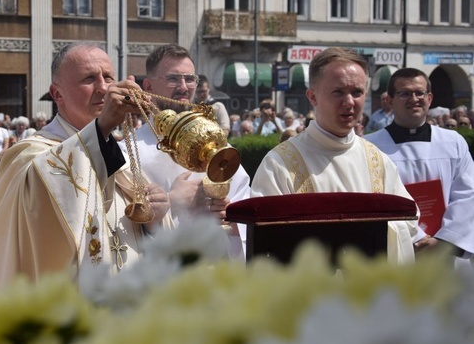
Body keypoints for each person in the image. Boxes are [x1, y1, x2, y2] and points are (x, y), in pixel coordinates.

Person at [0, 43, 171, 308]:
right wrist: (101, 127)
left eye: (108, 77)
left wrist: (155, 221)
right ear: (57, 94)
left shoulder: (124, 160)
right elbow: (43, 202)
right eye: (89, 79)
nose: (103, 88)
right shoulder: (29, 156)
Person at [251, 47, 417, 264]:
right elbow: (264, 239)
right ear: (313, 97)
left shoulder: (376, 160)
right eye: (338, 92)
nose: (349, 102)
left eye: (357, 92)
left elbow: (409, 220)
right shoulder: (281, 162)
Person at [132, 44, 251, 260]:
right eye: (173, 79)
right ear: (148, 86)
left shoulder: (219, 145)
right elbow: (123, 231)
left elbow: (246, 221)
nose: (184, 87)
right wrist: (172, 202)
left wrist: (231, 218)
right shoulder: (131, 151)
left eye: (190, 79)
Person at [365, 68, 474, 267]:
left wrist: (443, 241)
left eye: (419, 93)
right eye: (404, 93)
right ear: (390, 101)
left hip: (448, 252)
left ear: (429, 98)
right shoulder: (370, 147)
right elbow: (374, 203)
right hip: (399, 253)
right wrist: (416, 240)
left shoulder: (453, 142)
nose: (414, 99)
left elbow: (467, 195)